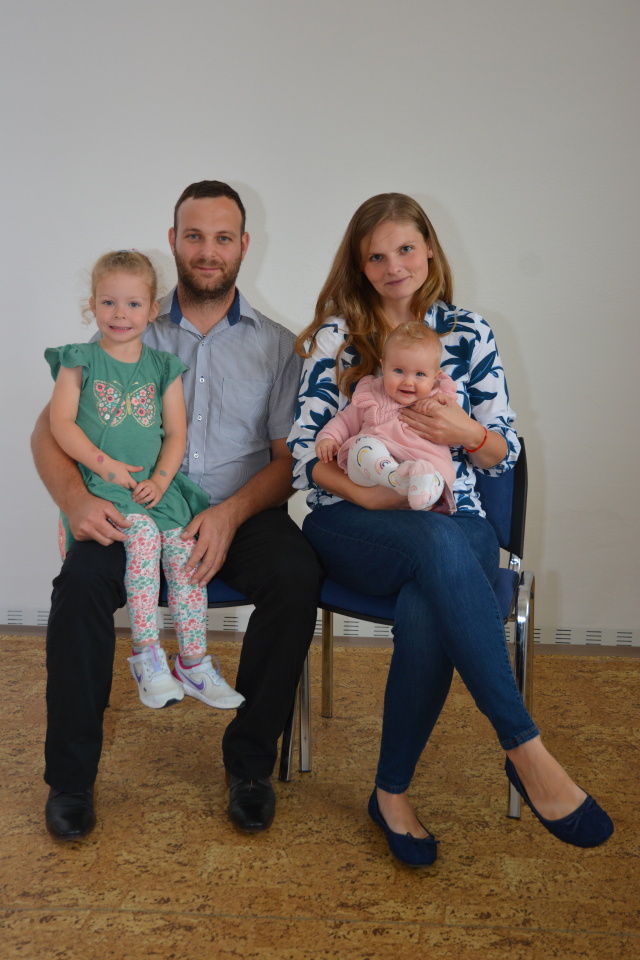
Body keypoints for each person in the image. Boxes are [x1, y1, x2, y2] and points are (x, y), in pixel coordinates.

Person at [289, 192, 613, 866]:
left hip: (453, 518)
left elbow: (503, 454)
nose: (393, 266)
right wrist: (367, 495)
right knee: (437, 554)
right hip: (354, 522)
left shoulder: (469, 333)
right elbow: (303, 456)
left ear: (430, 248)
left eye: (406, 248)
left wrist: (465, 431)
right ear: (359, 264)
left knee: (429, 591)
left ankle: (390, 794)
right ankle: (524, 748)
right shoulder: (336, 338)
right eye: (376, 256)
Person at [32, 181, 321, 840]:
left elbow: (287, 462)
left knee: (296, 575)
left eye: (223, 238)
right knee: (79, 587)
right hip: (132, 509)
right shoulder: (127, 320)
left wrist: (230, 514)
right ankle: (70, 780)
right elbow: (49, 431)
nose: (208, 251)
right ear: (173, 242)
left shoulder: (279, 346)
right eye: (194, 236)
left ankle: (250, 766)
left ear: (244, 245)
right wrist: (76, 499)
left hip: (236, 514)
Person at [46, 250, 243, 713]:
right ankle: (147, 655)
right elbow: (61, 424)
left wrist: (160, 479)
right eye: (109, 302)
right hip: (104, 488)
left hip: (155, 490)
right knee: (144, 538)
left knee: (185, 554)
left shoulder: (162, 367)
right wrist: (104, 465)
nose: (121, 314)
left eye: (133, 304)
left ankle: (193, 662)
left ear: (152, 309)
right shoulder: (79, 361)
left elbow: (175, 434)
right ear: (92, 305)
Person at [315, 321, 456, 512]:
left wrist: (440, 410)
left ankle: (423, 494)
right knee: (362, 445)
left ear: (435, 377)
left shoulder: (440, 400)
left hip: (424, 465)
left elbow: (455, 434)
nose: (408, 381)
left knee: (438, 475)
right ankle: (397, 477)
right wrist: (328, 438)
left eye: (420, 374)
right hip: (375, 474)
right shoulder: (372, 394)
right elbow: (344, 420)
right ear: (383, 366)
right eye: (398, 371)